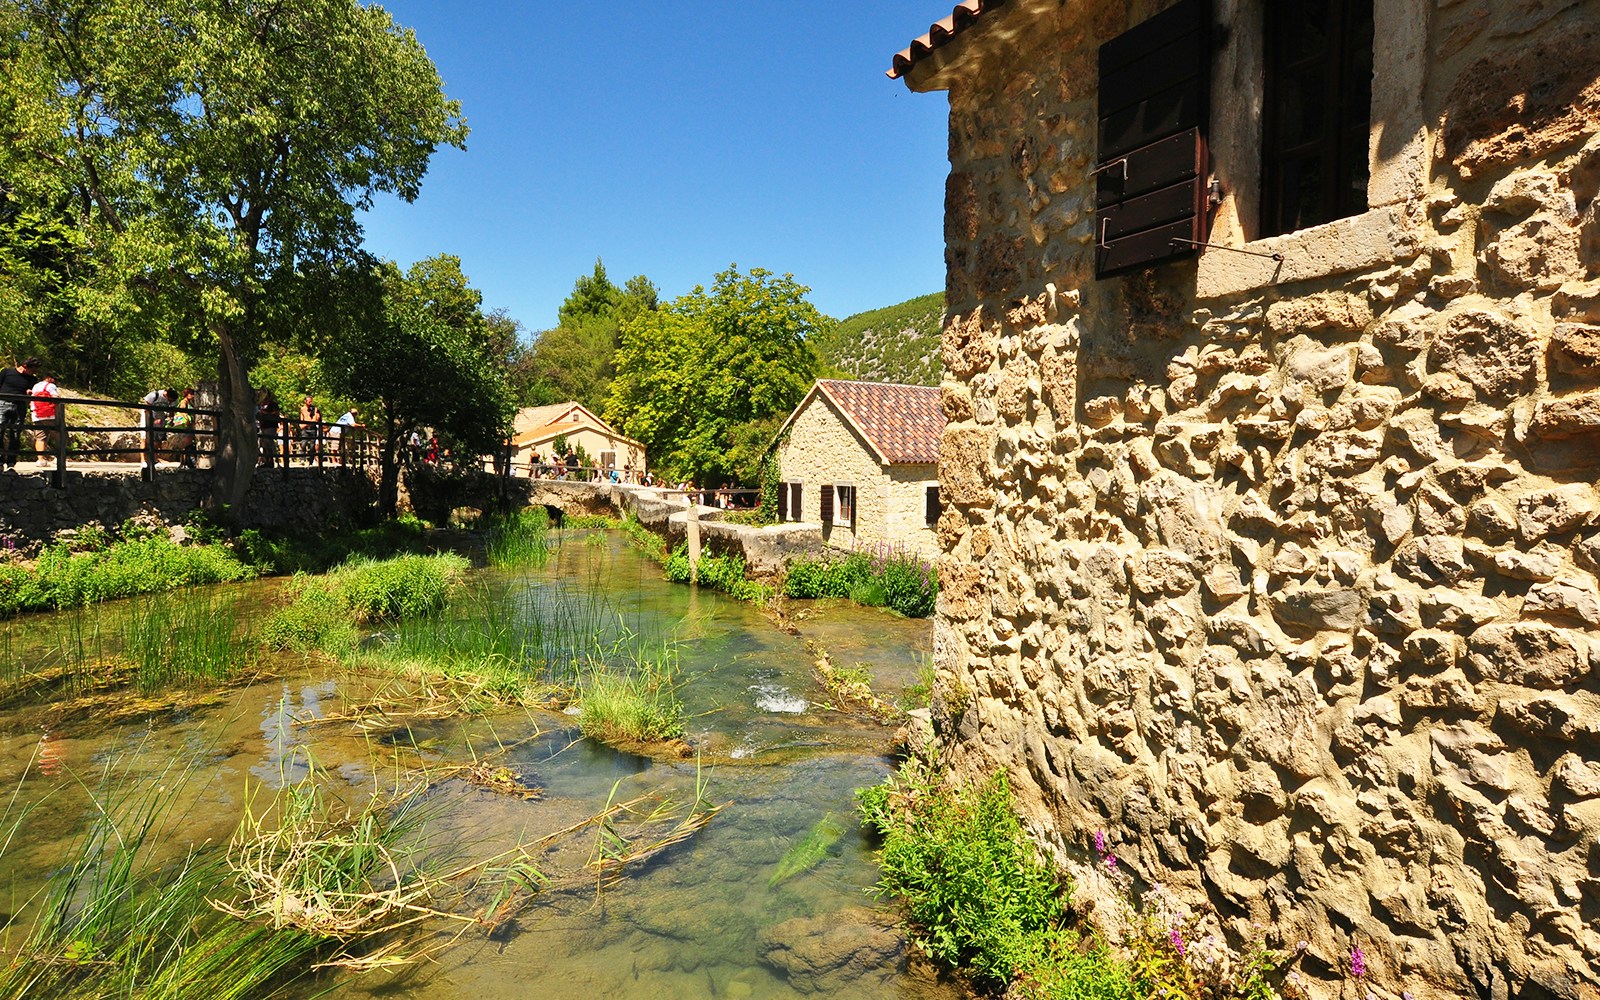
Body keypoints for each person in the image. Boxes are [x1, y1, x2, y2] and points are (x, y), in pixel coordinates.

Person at [0, 358, 38, 471]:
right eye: (33, 369)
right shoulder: (7, 372)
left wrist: (29, 392)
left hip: (20, 406)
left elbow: (31, 391)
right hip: (3, 403)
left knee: (16, 434)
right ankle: (0, 460)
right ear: (25, 366)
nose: (34, 372)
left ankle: (11, 461)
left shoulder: (32, 379)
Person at [29, 373, 62, 465]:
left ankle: (41, 460)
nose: (55, 381)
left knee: (40, 437)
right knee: (60, 435)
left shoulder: (35, 386)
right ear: (48, 378)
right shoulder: (51, 386)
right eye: (54, 378)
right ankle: (60, 458)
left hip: (36, 414)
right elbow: (55, 397)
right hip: (50, 415)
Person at [140, 387, 176, 457]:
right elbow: (146, 408)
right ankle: (143, 461)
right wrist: (152, 420)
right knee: (144, 438)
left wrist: (169, 418)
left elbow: (172, 411)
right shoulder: (154, 395)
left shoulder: (173, 400)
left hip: (160, 420)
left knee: (157, 440)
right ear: (166, 395)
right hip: (147, 417)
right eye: (169, 400)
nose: (170, 402)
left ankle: (155, 459)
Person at [169, 388, 197, 468]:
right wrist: (187, 419)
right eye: (191, 394)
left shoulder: (189, 402)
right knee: (185, 444)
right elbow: (182, 411)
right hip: (185, 425)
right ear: (187, 394)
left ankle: (185, 462)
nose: (192, 396)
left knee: (187, 444)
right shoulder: (184, 402)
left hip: (188, 426)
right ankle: (183, 462)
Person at [256, 392, 281, 468]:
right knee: (263, 444)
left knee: (268, 443)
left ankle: (271, 462)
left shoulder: (273, 404)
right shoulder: (261, 405)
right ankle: (266, 461)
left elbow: (276, 414)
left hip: (271, 426)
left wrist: (265, 414)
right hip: (263, 426)